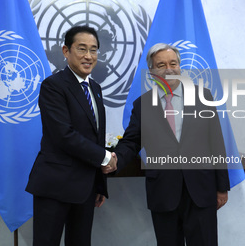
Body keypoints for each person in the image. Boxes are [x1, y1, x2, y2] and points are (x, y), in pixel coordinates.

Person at [107, 43, 230, 246]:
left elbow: (216, 141)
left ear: (180, 67)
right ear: (152, 72)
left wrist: (221, 187)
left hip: (201, 189)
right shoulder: (142, 105)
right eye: (161, 64)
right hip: (164, 192)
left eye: (173, 63)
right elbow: (131, 141)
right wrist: (115, 159)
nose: (169, 69)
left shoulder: (203, 97)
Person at [26, 25, 117, 246]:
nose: (89, 56)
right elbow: (63, 135)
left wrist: (99, 184)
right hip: (55, 187)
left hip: (85, 189)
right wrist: (106, 158)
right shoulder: (53, 86)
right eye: (82, 49)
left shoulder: (95, 87)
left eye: (94, 50)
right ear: (66, 51)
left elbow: (95, 136)